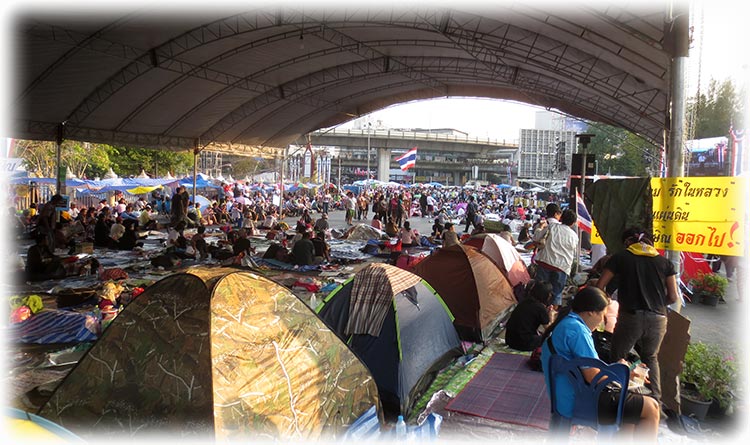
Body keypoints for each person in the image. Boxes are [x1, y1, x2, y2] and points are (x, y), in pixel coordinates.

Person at [541, 286, 660, 441]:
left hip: (566, 397)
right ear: (591, 311)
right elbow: (592, 376)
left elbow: (588, 368)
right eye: (603, 315)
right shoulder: (578, 332)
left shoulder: (566, 323)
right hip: (582, 401)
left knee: (633, 412)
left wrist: (619, 370)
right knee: (651, 407)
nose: (603, 321)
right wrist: (624, 372)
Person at [596, 228, 679, 408]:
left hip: (630, 317)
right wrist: (655, 304)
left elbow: (600, 285)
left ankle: (615, 400)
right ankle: (655, 402)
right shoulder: (665, 263)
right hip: (659, 317)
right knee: (651, 357)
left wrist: (603, 305)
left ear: (627, 242)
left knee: (618, 355)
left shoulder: (621, 257)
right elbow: (673, 297)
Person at [533, 208, 578, 308]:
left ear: (561, 218)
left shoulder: (552, 226)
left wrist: (539, 228)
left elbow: (537, 237)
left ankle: (537, 312)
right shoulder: (574, 236)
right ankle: (552, 317)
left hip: (546, 262)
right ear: (573, 223)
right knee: (556, 294)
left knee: (540, 292)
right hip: (562, 267)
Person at [505, 280, 555, 351]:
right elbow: (549, 329)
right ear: (546, 295)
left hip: (509, 340)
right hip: (522, 343)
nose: (550, 295)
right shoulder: (540, 308)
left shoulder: (524, 302)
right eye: (549, 293)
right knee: (550, 339)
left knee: (538, 334)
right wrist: (551, 315)